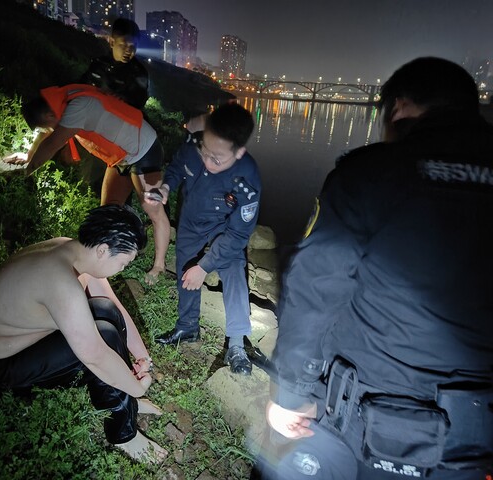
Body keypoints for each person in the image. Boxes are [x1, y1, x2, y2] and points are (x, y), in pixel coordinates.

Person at [257, 57, 493, 479]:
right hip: (474, 436)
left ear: (399, 107)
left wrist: (292, 393)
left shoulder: (372, 173)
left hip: (363, 413)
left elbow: (316, 287)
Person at [0, 205, 168, 464]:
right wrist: (136, 388)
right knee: (105, 336)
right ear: (103, 250)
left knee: (105, 310)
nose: (122, 269)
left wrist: (143, 357)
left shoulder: (72, 249)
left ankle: (125, 399)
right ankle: (123, 434)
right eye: (123, 263)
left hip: (6, 343)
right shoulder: (61, 282)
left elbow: (114, 307)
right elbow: (95, 356)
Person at [8, 83, 170, 287]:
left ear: (49, 114)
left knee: (153, 209)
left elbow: (51, 143)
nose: (49, 128)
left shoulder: (76, 107)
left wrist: (25, 173)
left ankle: (159, 266)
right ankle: (109, 255)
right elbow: (47, 135)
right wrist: (29, 157)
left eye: (46, 125)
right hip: (120, 156)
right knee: (109, 209)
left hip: (144, 150)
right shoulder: (62, 103)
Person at [149, 103, 261, 376]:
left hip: (226, 226)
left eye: (218, 159)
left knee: (234, 270)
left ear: (239, 152)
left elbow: (238, 234)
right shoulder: (195, 144)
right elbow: (177, 167)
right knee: (185, 268)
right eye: (205, 151)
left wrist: (204, 267)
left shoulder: (247, 177)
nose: (208, 162)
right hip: (192, 219)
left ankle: (237, 344)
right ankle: (187, 327)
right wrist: (165, 187)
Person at [80, 18, 149, 110]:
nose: (128, 50)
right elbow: (81, 86)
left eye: (133, 46)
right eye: (123, 45)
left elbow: (139, 101)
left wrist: (122, 99)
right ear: (112, 42)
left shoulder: (138, 72)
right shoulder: (98, 64)